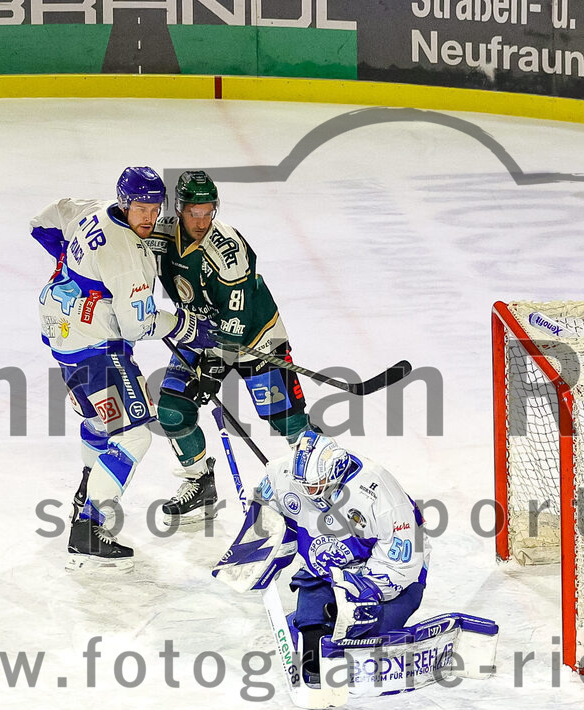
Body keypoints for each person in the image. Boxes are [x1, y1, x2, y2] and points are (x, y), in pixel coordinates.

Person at [33, 167, 218, 570]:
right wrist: (188, 327)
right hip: (98, 347)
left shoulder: (92, 209)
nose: (148, 217)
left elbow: (46, 218)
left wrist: (71, 266)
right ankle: (87, 526)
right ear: (123, 202)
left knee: (100, 424)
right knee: (134, 434)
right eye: (140, 208)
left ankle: (86, 493)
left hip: (63, 333)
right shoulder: (126, 254)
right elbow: (139, 324)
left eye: (154, 208)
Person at [145, 171, 315, 527]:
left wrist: (213, 368)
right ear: (179, 208)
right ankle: (199, 482)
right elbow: (127, 254)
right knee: (173, 411)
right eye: (194, 212)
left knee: (288, 420)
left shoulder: (228, 250)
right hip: (199, 331)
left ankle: (323, 485)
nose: (202, 221)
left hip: (255, 336)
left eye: (208, 212)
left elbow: (236, 322)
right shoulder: (160, 234)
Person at [247, 431, 429, 682]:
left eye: (313, 485)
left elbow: (403, 562)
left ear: (335, 473)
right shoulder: (282, 475)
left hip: (384, 575)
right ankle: (306, 623)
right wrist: (261, 540)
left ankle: (347, 622)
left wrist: (359, 594)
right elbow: (261, 526)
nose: (307, 492)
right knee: (313, 650)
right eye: (303, 485)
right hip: (323, 571)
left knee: (362, 640)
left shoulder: (379, 492)